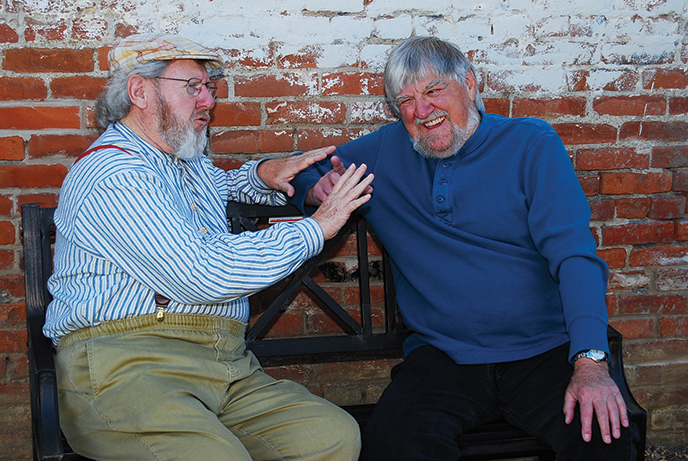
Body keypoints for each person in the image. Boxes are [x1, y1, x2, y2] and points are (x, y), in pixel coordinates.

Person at [289, 36, 638, 460]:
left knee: (604, 438)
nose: (422, 110)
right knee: (394, 443)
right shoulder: (382, 151)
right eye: (406, 100)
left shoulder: (531, 144)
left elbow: (575, 256)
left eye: (435, 91)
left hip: (543, 349)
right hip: (443, 357)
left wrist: (590, 361)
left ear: (470, 86)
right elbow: (304, 172)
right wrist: (314, 190)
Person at [44, 32, 373, 461]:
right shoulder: (113, 173)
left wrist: (276, 179)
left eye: (209, 88)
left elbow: (221, 185)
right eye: (192, 87)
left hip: (224, 365)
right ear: (139, 91)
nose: (208, 101)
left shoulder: (183, 160)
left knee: (330, 437)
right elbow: (202, 273)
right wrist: (317, 227)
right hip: (128, 366)